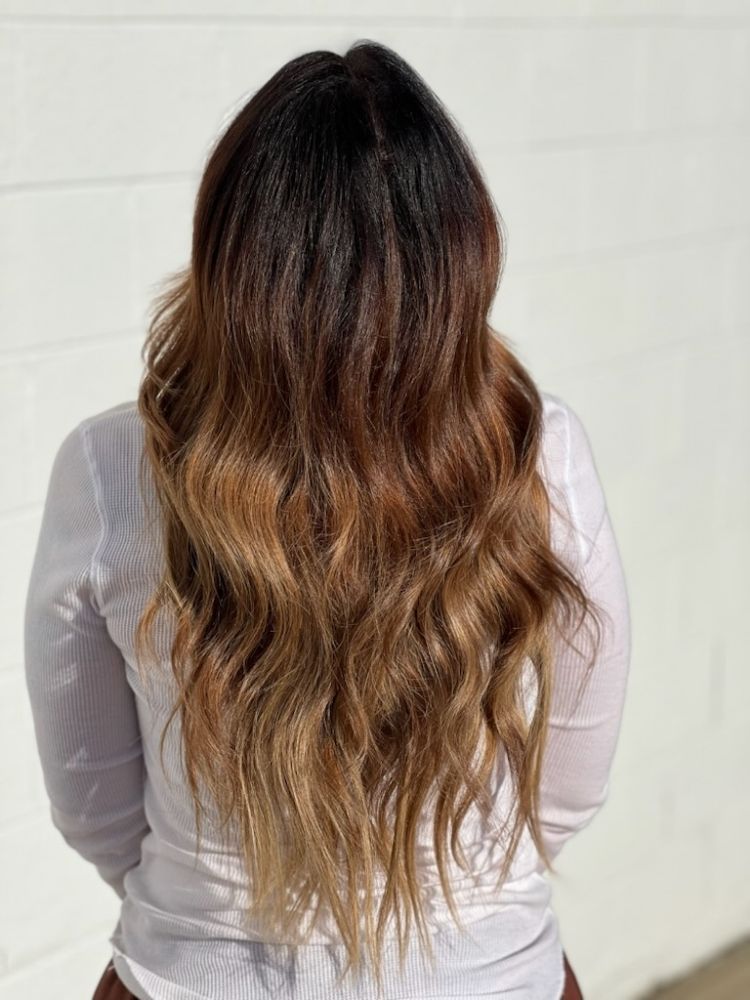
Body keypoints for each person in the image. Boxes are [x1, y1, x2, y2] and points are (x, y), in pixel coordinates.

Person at [24, 40, 630, 1000]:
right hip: (488, 976)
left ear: (230, 255)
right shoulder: (536, 449)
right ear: (460, 263)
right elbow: (571, 785)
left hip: (193, 976)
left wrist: (217, 910)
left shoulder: (110, 470)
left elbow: (92, 801)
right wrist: (454, 909)